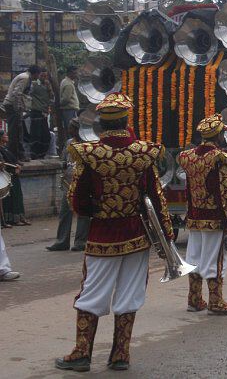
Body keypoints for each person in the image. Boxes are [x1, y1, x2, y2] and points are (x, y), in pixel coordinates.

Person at [55, 93, 173, 372]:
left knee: (92, 292)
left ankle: (82, 353)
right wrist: (166, 235)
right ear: (126, 119)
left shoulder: (89, 153)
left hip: (101, 237)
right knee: (130, 293)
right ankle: (121, 354)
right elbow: (156, 197)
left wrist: (96, 208)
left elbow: (78, 202)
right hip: (136, 234)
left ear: (102, 124)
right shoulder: (144, 152)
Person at [178, 114, 227, 315]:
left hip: (195, 216)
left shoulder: (187, 156)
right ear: (218, 135)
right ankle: (215, 301)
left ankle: (194, 299)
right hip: (214, 217)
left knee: (194, 257)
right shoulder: (220, 158)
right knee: (215, 259)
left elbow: (188, 190)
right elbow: (225, 192)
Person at [46, 119, 90, 251]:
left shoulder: (88, 144)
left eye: (72, 128)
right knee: (65, 212)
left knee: (82, 213)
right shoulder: (69, 143)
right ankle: (62, 241)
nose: (69, 130)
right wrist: (64, 166)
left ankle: (80, 242)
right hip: (68, 182)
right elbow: (64, 159)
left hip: (83, 182)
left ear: (77, 129)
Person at [2, 65, 38, 162]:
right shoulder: (25, 78)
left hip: (14, 107)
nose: (37, 77)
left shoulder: (26, 77)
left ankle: (19, 155)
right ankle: (13, 158)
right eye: (37, 75)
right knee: (14, 132)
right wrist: (18, 109)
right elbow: (16, 93)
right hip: (13, 106)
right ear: (35, 74)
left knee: (19, 131)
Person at [0, 130, 30, 226]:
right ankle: (12, 219)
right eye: (4, 135)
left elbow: (12, 159)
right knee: (11, 198)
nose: (6, 136)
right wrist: (14, 168)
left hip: (14, 175)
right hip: (7, 175)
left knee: (18, 197)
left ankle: (21, 217)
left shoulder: (6, 148)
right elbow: (3, 163)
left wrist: (17, 165)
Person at [28, 68, 53, 159]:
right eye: (42, 75)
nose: (43, 77)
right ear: (39, 75)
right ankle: (34, 155)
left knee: (46, 135)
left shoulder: (48, 85)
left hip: (44, 113)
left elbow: (51, 98)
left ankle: (42, 154)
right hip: (36, 112)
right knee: (36, 135)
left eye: (45, 76)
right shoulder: (34, 84)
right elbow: (28, 94)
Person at [59, 66, 80, 134]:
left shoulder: (65, 81)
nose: (76, 75)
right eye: (75, 73)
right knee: (72, 130)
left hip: (69, 110)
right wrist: (60, 104)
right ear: (70, 73)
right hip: (70, 110)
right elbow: (66, 99)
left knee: (69, 129)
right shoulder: (68, 84)